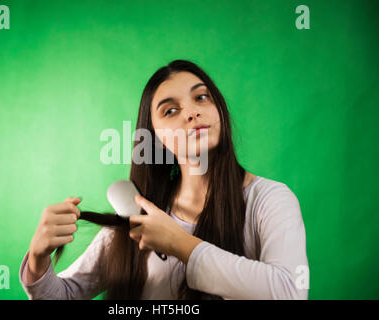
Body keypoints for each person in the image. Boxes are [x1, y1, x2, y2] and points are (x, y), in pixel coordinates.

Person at [18, 59, 309, 300]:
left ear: (219, 108)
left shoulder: (271, 199)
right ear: (154, 139)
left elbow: (289, 292)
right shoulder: (139, 217)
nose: (192, 112)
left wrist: (179, 244)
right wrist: (38, 260)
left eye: (201, 97)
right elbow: (63, 295)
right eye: (171, 110)